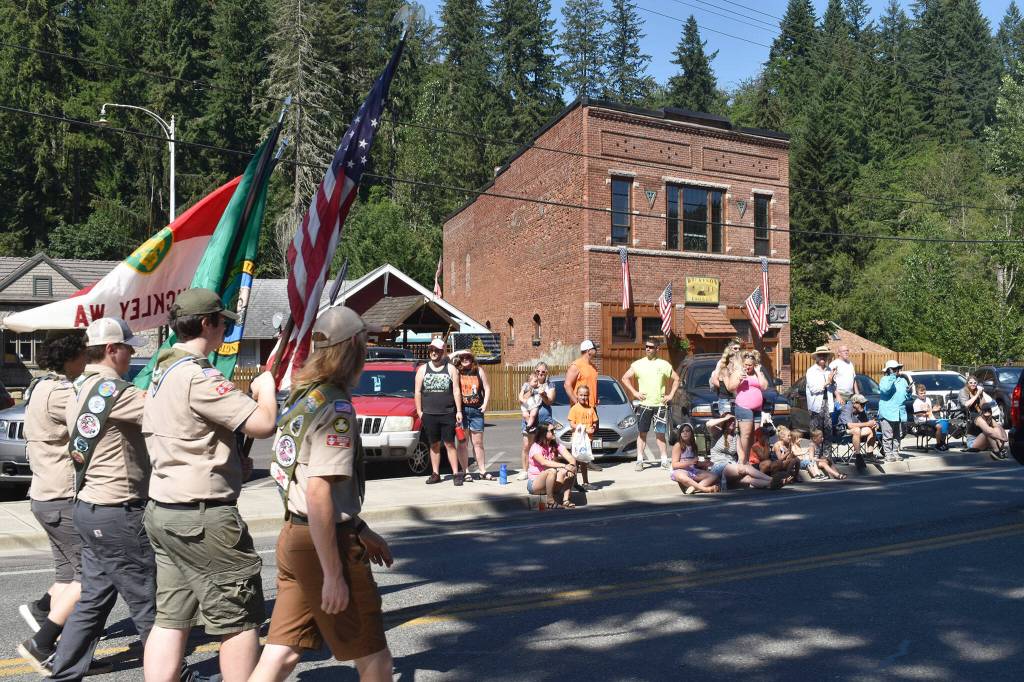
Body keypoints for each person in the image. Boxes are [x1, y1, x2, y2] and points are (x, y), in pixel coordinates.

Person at [141, 288, 279, 682]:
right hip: (202, 516)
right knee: (239, 618)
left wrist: (232, 459)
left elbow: (189, 435)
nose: (225, 331)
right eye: (222, 323)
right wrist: (266, 391)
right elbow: (263, 423)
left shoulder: (161, 370)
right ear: (206, 323)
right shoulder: (197, 375)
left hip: (165, 509)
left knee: (171, 617)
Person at [250, 306, 395, 682]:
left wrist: (360, 526)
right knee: (375, 659)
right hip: (324, 542)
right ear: (352, 349)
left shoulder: (304, 398)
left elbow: (297, 477)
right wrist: (333, 573)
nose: (368, 349)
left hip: (295, 537)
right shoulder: (337, 407)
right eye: (365, 342)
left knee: (279, 656)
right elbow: (317, 492)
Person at [42, 318, 154, 680]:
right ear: (111, 349)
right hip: (118, 509)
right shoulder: (113, 392)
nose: (133, 353)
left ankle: (65, 671)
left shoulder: (79, 388)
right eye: (128, 347)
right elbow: (170, 414)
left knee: (93, 598)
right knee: (148, 601)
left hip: (90, 506)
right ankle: (174, 672)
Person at [17, 330, 92, 671]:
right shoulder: (61, 392)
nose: (88, 359)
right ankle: (44, 642)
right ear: (71, 356)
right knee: (88, 576)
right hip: (63, 494)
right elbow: (94, 422)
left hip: (44, 494)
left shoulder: (39, 387)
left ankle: (43, 612)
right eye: (84, 354)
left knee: (67, 572)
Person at [621, 339, 679, 471]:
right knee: (642, 433)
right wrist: (635, 392)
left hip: (659, 406)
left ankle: (664, 460)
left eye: (651, 347)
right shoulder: (638, 364)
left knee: (660, 433)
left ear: (657, 349)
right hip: (644, 405)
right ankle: (640, 460)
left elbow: (676, 379)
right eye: (646, 347)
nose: (648, 349)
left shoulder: (663, 364)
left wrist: (670, 395)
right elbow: (625, 378)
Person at [415, 338, 465, 485]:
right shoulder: (423, 369)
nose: (433, 353)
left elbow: (456, 391)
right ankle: (435, 473)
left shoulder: (451, 369)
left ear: (442, 352)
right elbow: (417, 392)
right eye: (431, 350)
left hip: (448, 413)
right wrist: (419, 411)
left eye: (436, 350)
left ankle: (456, 474)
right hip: (429, 414)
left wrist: (459, 411)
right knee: (434, 444)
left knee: (450, 443)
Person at [704, 414, 779, 490]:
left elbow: (741, 454)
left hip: (732, 466)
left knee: (748, 479)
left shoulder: (735, 436)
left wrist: (740, 463)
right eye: (730, 421)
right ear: (724, 422)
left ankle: (773, 483)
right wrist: (725, 418)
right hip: (718, 467)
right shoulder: (717, 432)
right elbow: (708, 423)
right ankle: (771, 479)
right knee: (746, 468)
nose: (733, 422)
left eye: (733, 421)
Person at [453, 351, 493, 480]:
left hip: (476, 412)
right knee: (462, 443)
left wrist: (485, 403)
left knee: (478, 443)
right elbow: (446, 359)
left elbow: (486, 388)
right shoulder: (457, 371)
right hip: (462, 412)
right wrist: (458, 352)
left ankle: (482, 470)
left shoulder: (479, 371)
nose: (465, 359)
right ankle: (465, 471)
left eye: (467, 357)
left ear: (472, 358)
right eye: (462, 357)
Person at [724, 351, 768, 466]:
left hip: (757, 409)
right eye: (746, 364)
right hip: (744, 407)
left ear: (754, 365)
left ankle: (749, 458)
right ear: (742, 364)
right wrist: (739, 380)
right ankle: (743, 460)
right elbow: (730, 388)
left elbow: (764, 386)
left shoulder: (758, 373)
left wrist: (758, 373)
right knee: (746, 435)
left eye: (750, 365)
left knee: (754, 434)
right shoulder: (738, 373)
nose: (747, 367)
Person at [516, 363, 556, 482]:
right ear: (535, 371)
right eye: (538, 371)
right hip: (530, 419)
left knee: (546, 446)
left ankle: (544, 469)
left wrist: (543, 394)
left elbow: (550, 401)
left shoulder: (550, 385)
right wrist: (533, 390)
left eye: (543, 372)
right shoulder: (529, 383)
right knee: (527, 446)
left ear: (546, 373)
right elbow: (522, 399)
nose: (540, 374)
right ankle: (525, 470)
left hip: (545, 420)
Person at [527, 423, 578, 508]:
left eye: (554, 430)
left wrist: (570, 467)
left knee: (571, 469)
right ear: (543, 433)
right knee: (552, 471)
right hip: (535, 484)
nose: (554, 432)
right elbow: (544, 462)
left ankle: (566, 500)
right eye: (551, 431)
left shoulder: (555, 445)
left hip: (551, 483)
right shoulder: (535, 447)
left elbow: (571, 459)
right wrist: (564, 465)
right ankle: (550, 501)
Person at [959, 375, 1009, 459]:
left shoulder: (986, 415)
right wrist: (1002, 438)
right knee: (988, 431)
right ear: (967, 383)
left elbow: (983, 405)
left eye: (975, 383)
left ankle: (1001, 449)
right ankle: (996, 452)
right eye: (970, 382)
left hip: (983, 440)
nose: (973, 384)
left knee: (996, 428)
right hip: (973, 443)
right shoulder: (977, 418)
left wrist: (981, 394)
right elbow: (966, 405)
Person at [669, 423, 719, 494]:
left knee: (714, 476)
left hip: (692, 471)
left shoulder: (694, 445)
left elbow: (695, 463)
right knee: (682, 477)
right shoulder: (678, 445)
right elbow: (674, 465)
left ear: (691, 433)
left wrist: (704, 464)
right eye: (682, 432)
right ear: (680, 434)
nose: (685, 433)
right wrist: (690, 462)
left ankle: (694, 488)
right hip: (680, 471)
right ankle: (705, 489)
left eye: (687, 431)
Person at [878, 359, 912, 463]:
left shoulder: (902, 381)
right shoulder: (884, 380)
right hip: (887, 411)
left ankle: (895, 453)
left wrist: (908, 392)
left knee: (898, 435)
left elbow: (906, 397)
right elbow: (885, 390)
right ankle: (888, 454)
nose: (897, 370)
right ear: (889, 370)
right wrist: (892, 377)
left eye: (898, 368)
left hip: (898, 412)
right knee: (888, 435)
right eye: (895, 369)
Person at [805, 345, 836, 458]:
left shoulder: (829, 370)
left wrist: (832, 382)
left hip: (828, 403)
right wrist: (827, 382)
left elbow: (832, 389)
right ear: (816, 357)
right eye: (820, 355)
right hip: (816, 405)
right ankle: (815, 456)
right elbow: (814, 389)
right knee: (816, 432)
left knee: (828, 431)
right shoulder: (811, 371)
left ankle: (827, 457)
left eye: (825, 355)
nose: (822, 357)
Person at [567, 384, 599, 491]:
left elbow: (594, 422)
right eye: (581, 395)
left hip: (587, 440)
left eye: (585, 395)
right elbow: (572, 424)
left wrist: (593, 428)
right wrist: (585, 429)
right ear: (577, 395)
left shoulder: (590, 409)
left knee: (584, 462)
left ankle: (585, 482)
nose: (583, 397)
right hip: (577, 440)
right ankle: (573, 482)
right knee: (574, 461)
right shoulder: (574, 409)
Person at [837, 394, 878, 468]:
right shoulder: (847, 408)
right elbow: (849, 426)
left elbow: (866, 423)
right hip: (842, 432)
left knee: (871, 428)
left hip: (856, 431)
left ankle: (870, 454)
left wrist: (873, 424)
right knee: (856, 430)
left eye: (864, 404)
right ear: (855, 403)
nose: (863, 405)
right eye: (862, 404)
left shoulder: (861, 411)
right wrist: (868, 423)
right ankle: (858, 456)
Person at [709, 338, 743, 415]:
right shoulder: (722, 362)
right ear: (730, 349)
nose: (737, 350)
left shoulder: (741, 362)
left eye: (739, 348)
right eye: (735, 348)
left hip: (739, 398)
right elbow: (714, 380)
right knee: (727, 422)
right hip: (726, 398)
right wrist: (727, 388)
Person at [912, 383, 948, 451]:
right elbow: (917, 414)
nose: (923, 394)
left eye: (924, 393)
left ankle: (942, 442)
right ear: (917, 394)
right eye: (921, 393)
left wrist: (934, 409)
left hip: (930, 418)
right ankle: (938, 445)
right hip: (922, 420)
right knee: (939, 426)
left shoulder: (928, 399)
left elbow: (930, 410)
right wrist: (928, 411)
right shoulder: (916, 402)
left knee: (945, 423)